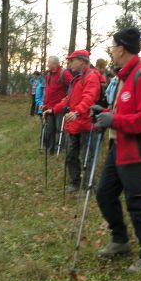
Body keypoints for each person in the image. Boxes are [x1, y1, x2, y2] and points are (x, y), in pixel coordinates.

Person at [92, 27, 141, 273]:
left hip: (137, 150)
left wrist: (115, 121)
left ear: (121, 49)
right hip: (118, 146)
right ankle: (120, 240)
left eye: (112, 47)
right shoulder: (124, 76)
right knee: (104, 194)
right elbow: (124, 112)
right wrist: (106, 115)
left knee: (137, 202)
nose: (111, 51)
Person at [44, 50, 100, 191]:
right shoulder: (76, 78)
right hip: (74, 124)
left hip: (87, 124)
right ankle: (75, 182)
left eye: (72, 60)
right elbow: (68, 99)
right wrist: (53, 109)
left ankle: (88, 186)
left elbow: (89, 98)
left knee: (86, 157)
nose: (69, 63)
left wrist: (77, 111)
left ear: (82, 61)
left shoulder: (91, 77)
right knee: (70, 156)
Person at [41, 56, 73, 153]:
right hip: (49, 107)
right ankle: (50, 149)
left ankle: (59, 148)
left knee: (60, 129)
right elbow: (47, 91)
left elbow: (73, 85)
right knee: (50, 129)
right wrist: (44, 104)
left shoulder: (64, 73)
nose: (47, 65)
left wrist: (67, 98)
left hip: (60, 107)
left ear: (54, 64)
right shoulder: (48, 75)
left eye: (48, 63)